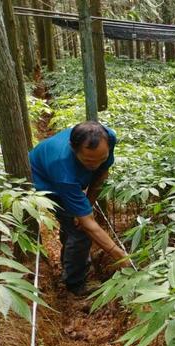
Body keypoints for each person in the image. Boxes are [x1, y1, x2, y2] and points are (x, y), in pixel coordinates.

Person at [29, 121, 130, 296]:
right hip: (44, 180)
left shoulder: (109, 136)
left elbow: (101, 173)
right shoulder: (63, 172)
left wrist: (87, 204)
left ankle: (69, 259)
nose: (96, 164)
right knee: (80, 231)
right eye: (89, 161)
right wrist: (119, 255)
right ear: (73, 149)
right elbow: (87, 223)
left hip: (61, 173)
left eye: (102, 158)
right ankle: (75, 283)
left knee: (75, 222)